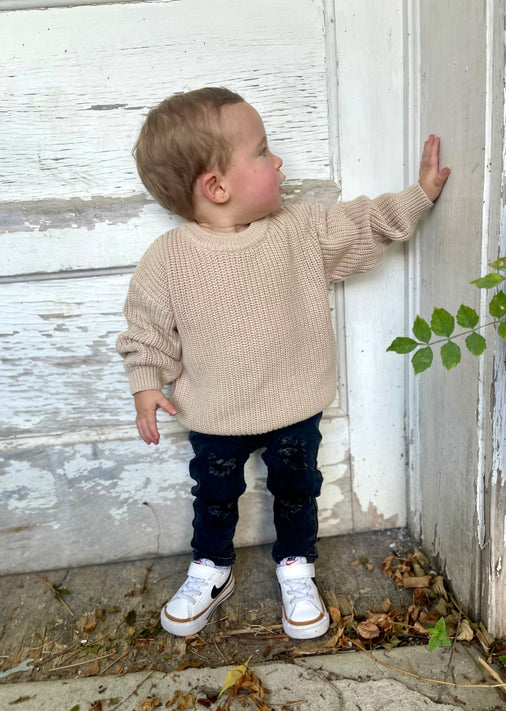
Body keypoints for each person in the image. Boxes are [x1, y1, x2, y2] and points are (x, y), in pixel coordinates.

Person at [116, 87, 450, 641]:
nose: (278, 161)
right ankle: (212, 565)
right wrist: (145, 384)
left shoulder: (298, 231)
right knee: (214, 493)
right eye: (263, 151)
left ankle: (297, 564)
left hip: (294, 402)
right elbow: (147, 329)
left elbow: (362, 225)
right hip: (215, 413)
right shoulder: (168, 258)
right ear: (216, 186)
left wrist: (418, 195)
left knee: (298, 487)